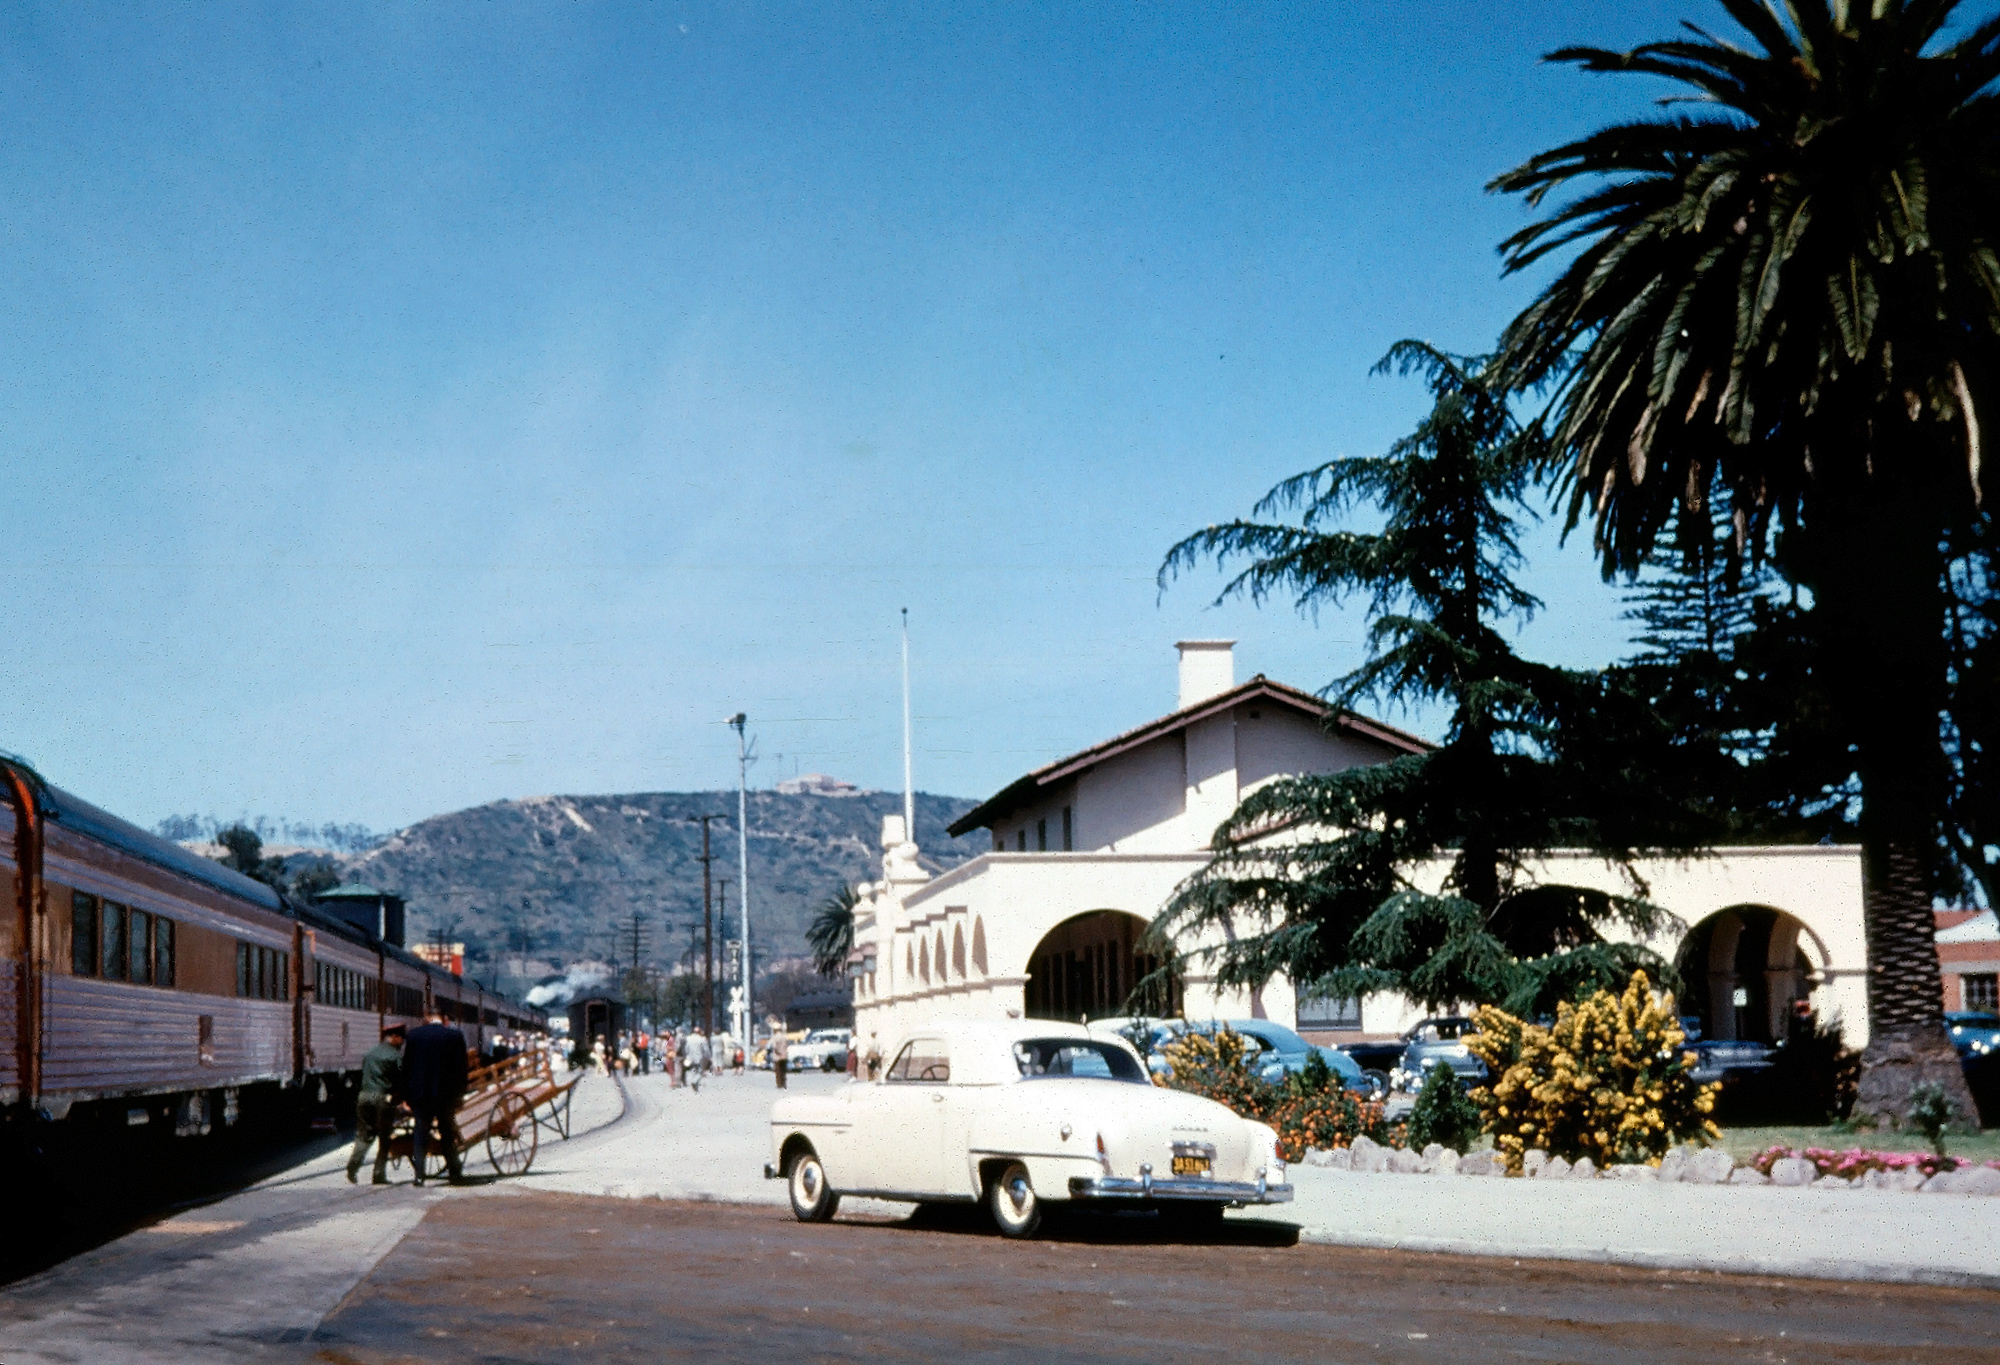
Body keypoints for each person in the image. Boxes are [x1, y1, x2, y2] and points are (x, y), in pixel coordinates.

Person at [402, 1012, 470, 1186]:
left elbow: (407, 1067)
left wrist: (406, 1096)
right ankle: (454, 1172)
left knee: (420, 1132)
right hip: (445, 1095)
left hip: (420, 1095)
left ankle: (419, 1175)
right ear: (444, 1019)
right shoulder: (454, 1035)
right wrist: (460, 1094)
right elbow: (461, 1068)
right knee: (447, 1132)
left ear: (427, 1019)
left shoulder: (414, 1036)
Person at [345, 1022, 405, 1185]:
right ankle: (378, 1174)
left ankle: (353, 1166)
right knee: (384, 1137)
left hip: (364, 1097)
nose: (402, 1043)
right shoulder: (395, 1056)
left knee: (364, 1135)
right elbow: (401, 1081)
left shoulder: (370, 1053)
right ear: (394, 1037)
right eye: (401, 1039)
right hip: (382, 1099)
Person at [682, 1028, 708, 1093]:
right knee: (700, 1072)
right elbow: (706, 1050)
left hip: (690, 1057)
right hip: (699, 1058)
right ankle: (695, 1082)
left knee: (693, 1070)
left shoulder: (688, 1038)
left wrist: (686, 1055)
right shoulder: (702, 1039)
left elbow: (686, 1049)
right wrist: (708, 1056)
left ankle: (694, 1083)